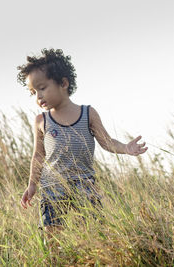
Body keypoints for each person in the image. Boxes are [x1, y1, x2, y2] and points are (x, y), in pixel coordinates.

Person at [18, 48, 148, 252]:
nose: (38, 96)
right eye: (33, 92)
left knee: (92, 236)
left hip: (85, 186)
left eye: (42, 88)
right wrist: (32, 185)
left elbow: (107, 142)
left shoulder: (88, 114)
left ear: (63, 83)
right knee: (52, 240)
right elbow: (38, 155)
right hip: (53, 187)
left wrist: (125, 148)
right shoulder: (41, 121)